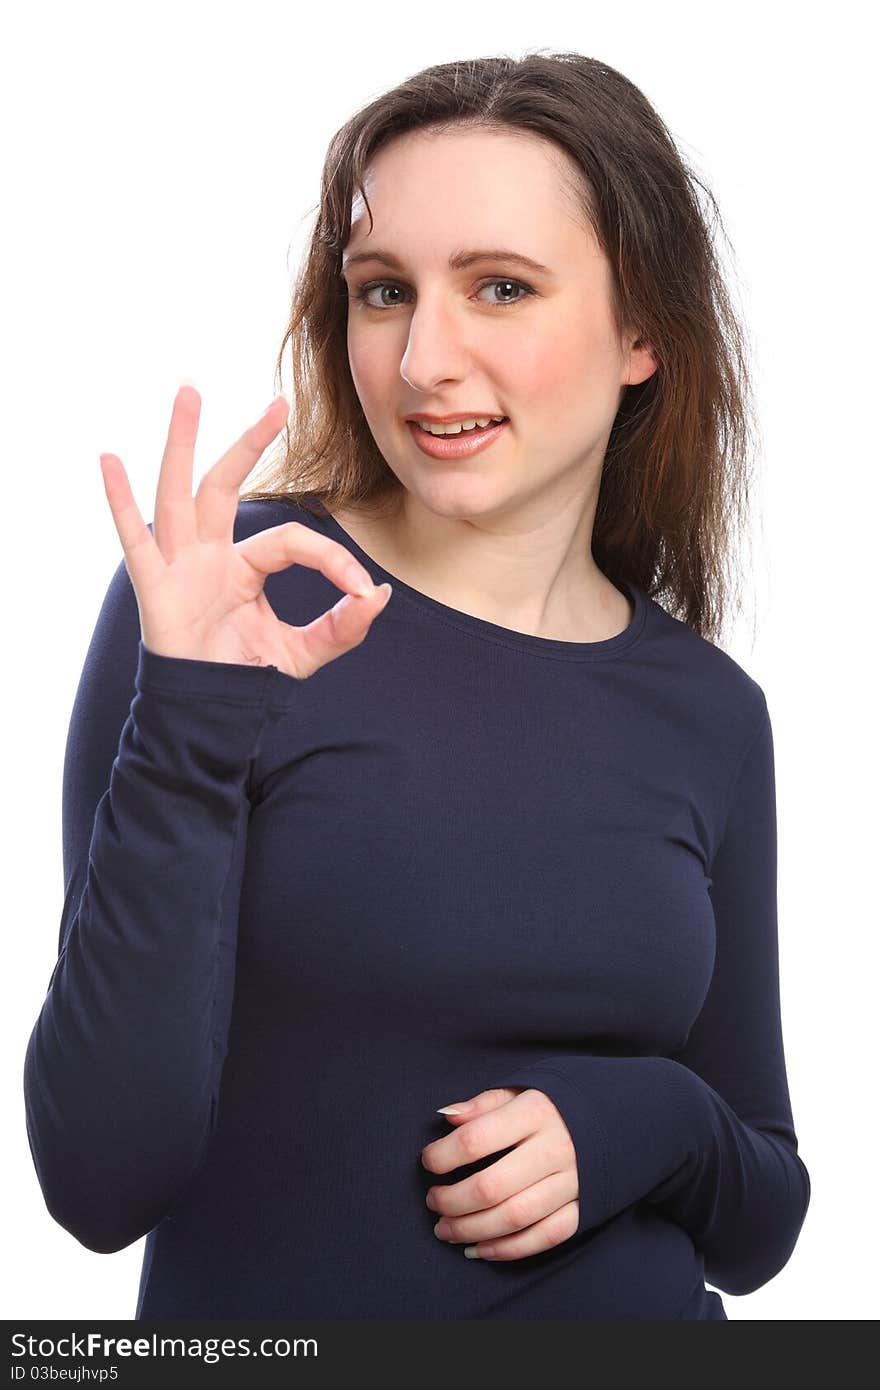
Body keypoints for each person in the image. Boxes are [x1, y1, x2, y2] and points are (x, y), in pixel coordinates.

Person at [23, 51, 810, 1320]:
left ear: (641, 332)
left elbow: (762, 1213)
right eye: (382, 291)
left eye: (500, 287)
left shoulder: (709, 711)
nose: (423, 357)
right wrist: (184, 721)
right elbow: (99, 1182)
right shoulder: (234, 600)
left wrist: (646, 1115)